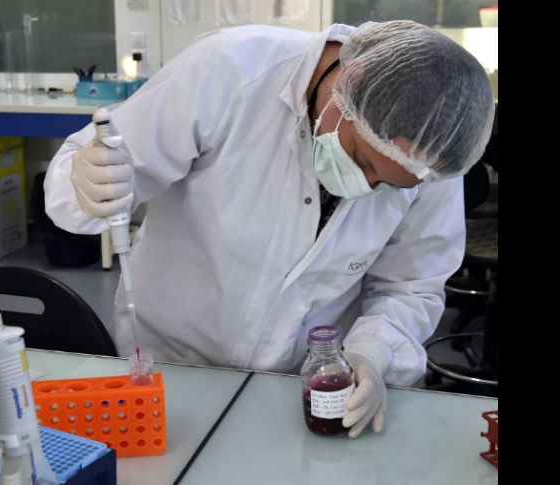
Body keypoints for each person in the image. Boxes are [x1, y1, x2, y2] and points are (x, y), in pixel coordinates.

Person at [45, 20, 495, 438]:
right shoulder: (230, 70)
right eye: (361, 159)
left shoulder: (430, 150)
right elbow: (77, 191)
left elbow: (411, 285)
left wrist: (374, 352)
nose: (365, 186)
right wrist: (88, 183)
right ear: (350, 81)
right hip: (169, 368)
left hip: (294, 391)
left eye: (389, 186)